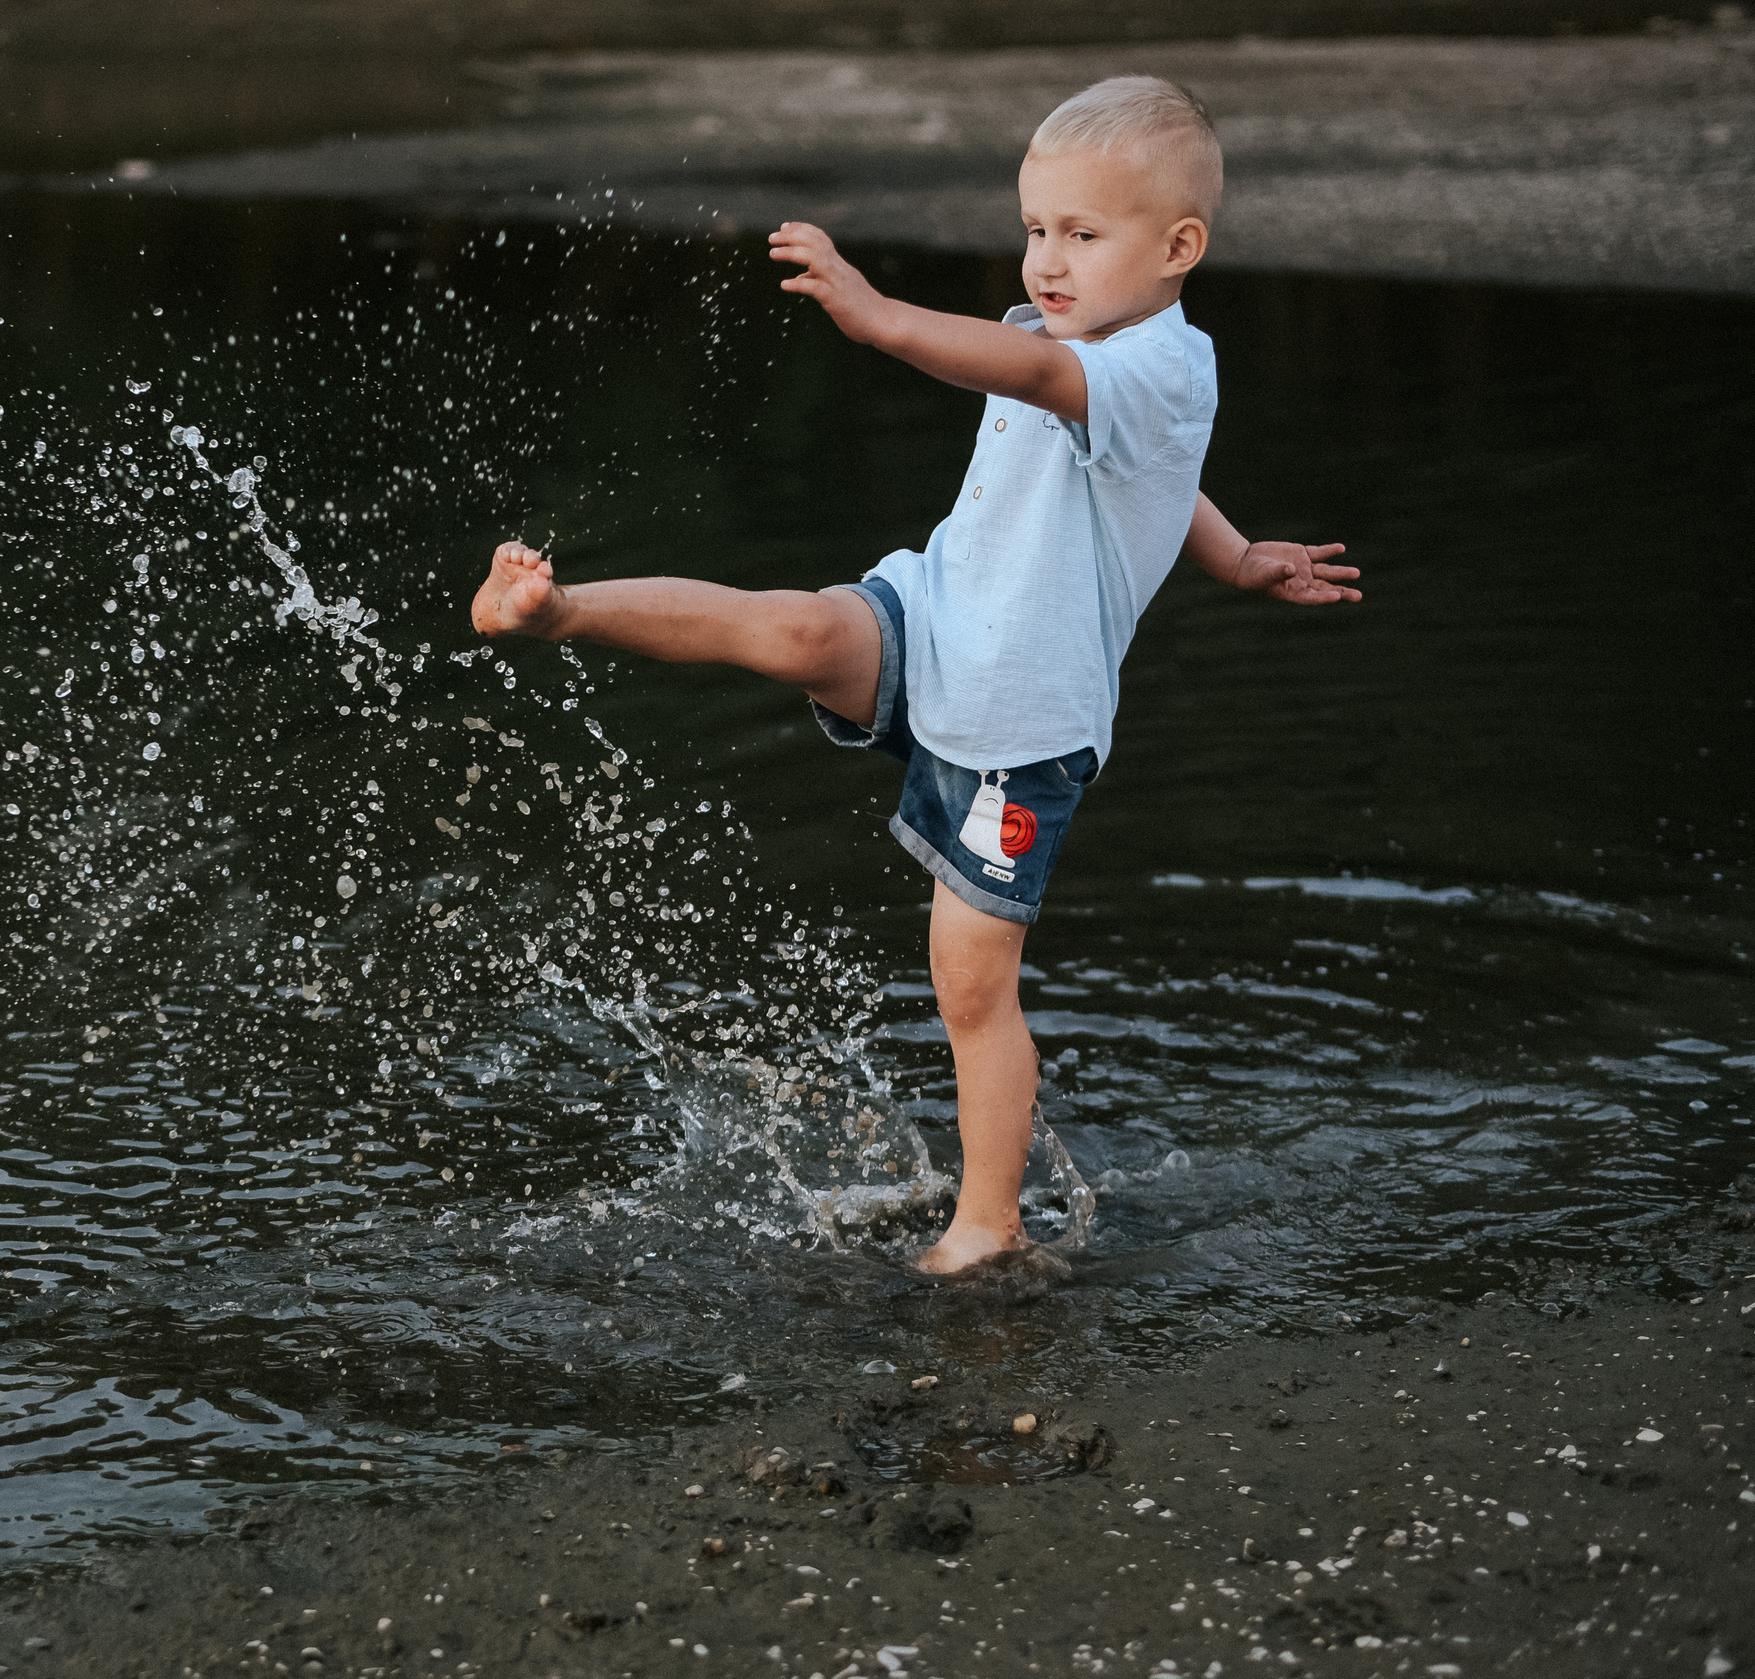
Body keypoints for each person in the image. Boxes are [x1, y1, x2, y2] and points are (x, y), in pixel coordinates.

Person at [470, 76, 1360, 1275]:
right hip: (937, 616)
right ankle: (558, 608)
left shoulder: (1157, 364)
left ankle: (988, 1226)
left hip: (1020, 725)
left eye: (1081, 234)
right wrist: (1238, 555)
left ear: (1177, 249)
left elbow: (1068, 399)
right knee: (792, 630)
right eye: (1034, 227)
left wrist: (880, 316)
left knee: (969, 988)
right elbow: (1154, 474)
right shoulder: (1070, 334)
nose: (1046, 260)